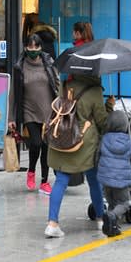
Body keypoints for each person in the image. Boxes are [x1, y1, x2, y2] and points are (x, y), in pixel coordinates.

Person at [44, 77, 114, 238]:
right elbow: (103, 122)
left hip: (61, 137)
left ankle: (52, 223)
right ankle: (100, 218)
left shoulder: (64, 85)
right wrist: (109, 106)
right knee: (94, 180)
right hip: (83, 143)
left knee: (61, 180)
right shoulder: (94, 91)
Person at [8, 33, 60, 195]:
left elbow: (57, 85)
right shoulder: (19, 66)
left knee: (46, 147)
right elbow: (13, 94)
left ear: (40, 47)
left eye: (35, 47)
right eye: (29, 47)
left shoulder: (48, 63)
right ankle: (31, 171)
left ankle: (44, 181)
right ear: (25, 47)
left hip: (48, 111)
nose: (32, 50)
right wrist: (11, 117)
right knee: (36, 143)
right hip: (28, 111)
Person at [96, 109, 131, 238]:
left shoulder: (104, 138)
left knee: (112, 203)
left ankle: (113, 227)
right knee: (124, 203)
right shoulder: (128, 141)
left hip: (106, 179)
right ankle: (112, 216)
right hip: (121, 180)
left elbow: (97, 156)